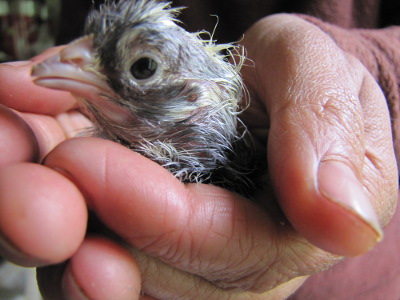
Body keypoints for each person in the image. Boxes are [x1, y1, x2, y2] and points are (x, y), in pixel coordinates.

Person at [0, 0, 399, 299]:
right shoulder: (103, 142)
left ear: (193, 97)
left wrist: (375, 75)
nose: (73, 58)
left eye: (142, 67)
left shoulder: (240, 160)